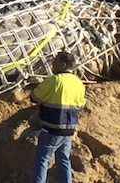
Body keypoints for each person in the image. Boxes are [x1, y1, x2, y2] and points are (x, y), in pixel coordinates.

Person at [29, 50, 85, 183]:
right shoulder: (78, 83)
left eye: (55, 62)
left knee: (41, 160)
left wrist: (36, 85)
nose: (52, 65)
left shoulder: (54, 80)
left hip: (51, 129)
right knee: (64, 160)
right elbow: (81, 104)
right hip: (68, 130)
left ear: (64, 64)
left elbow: (34, 97)